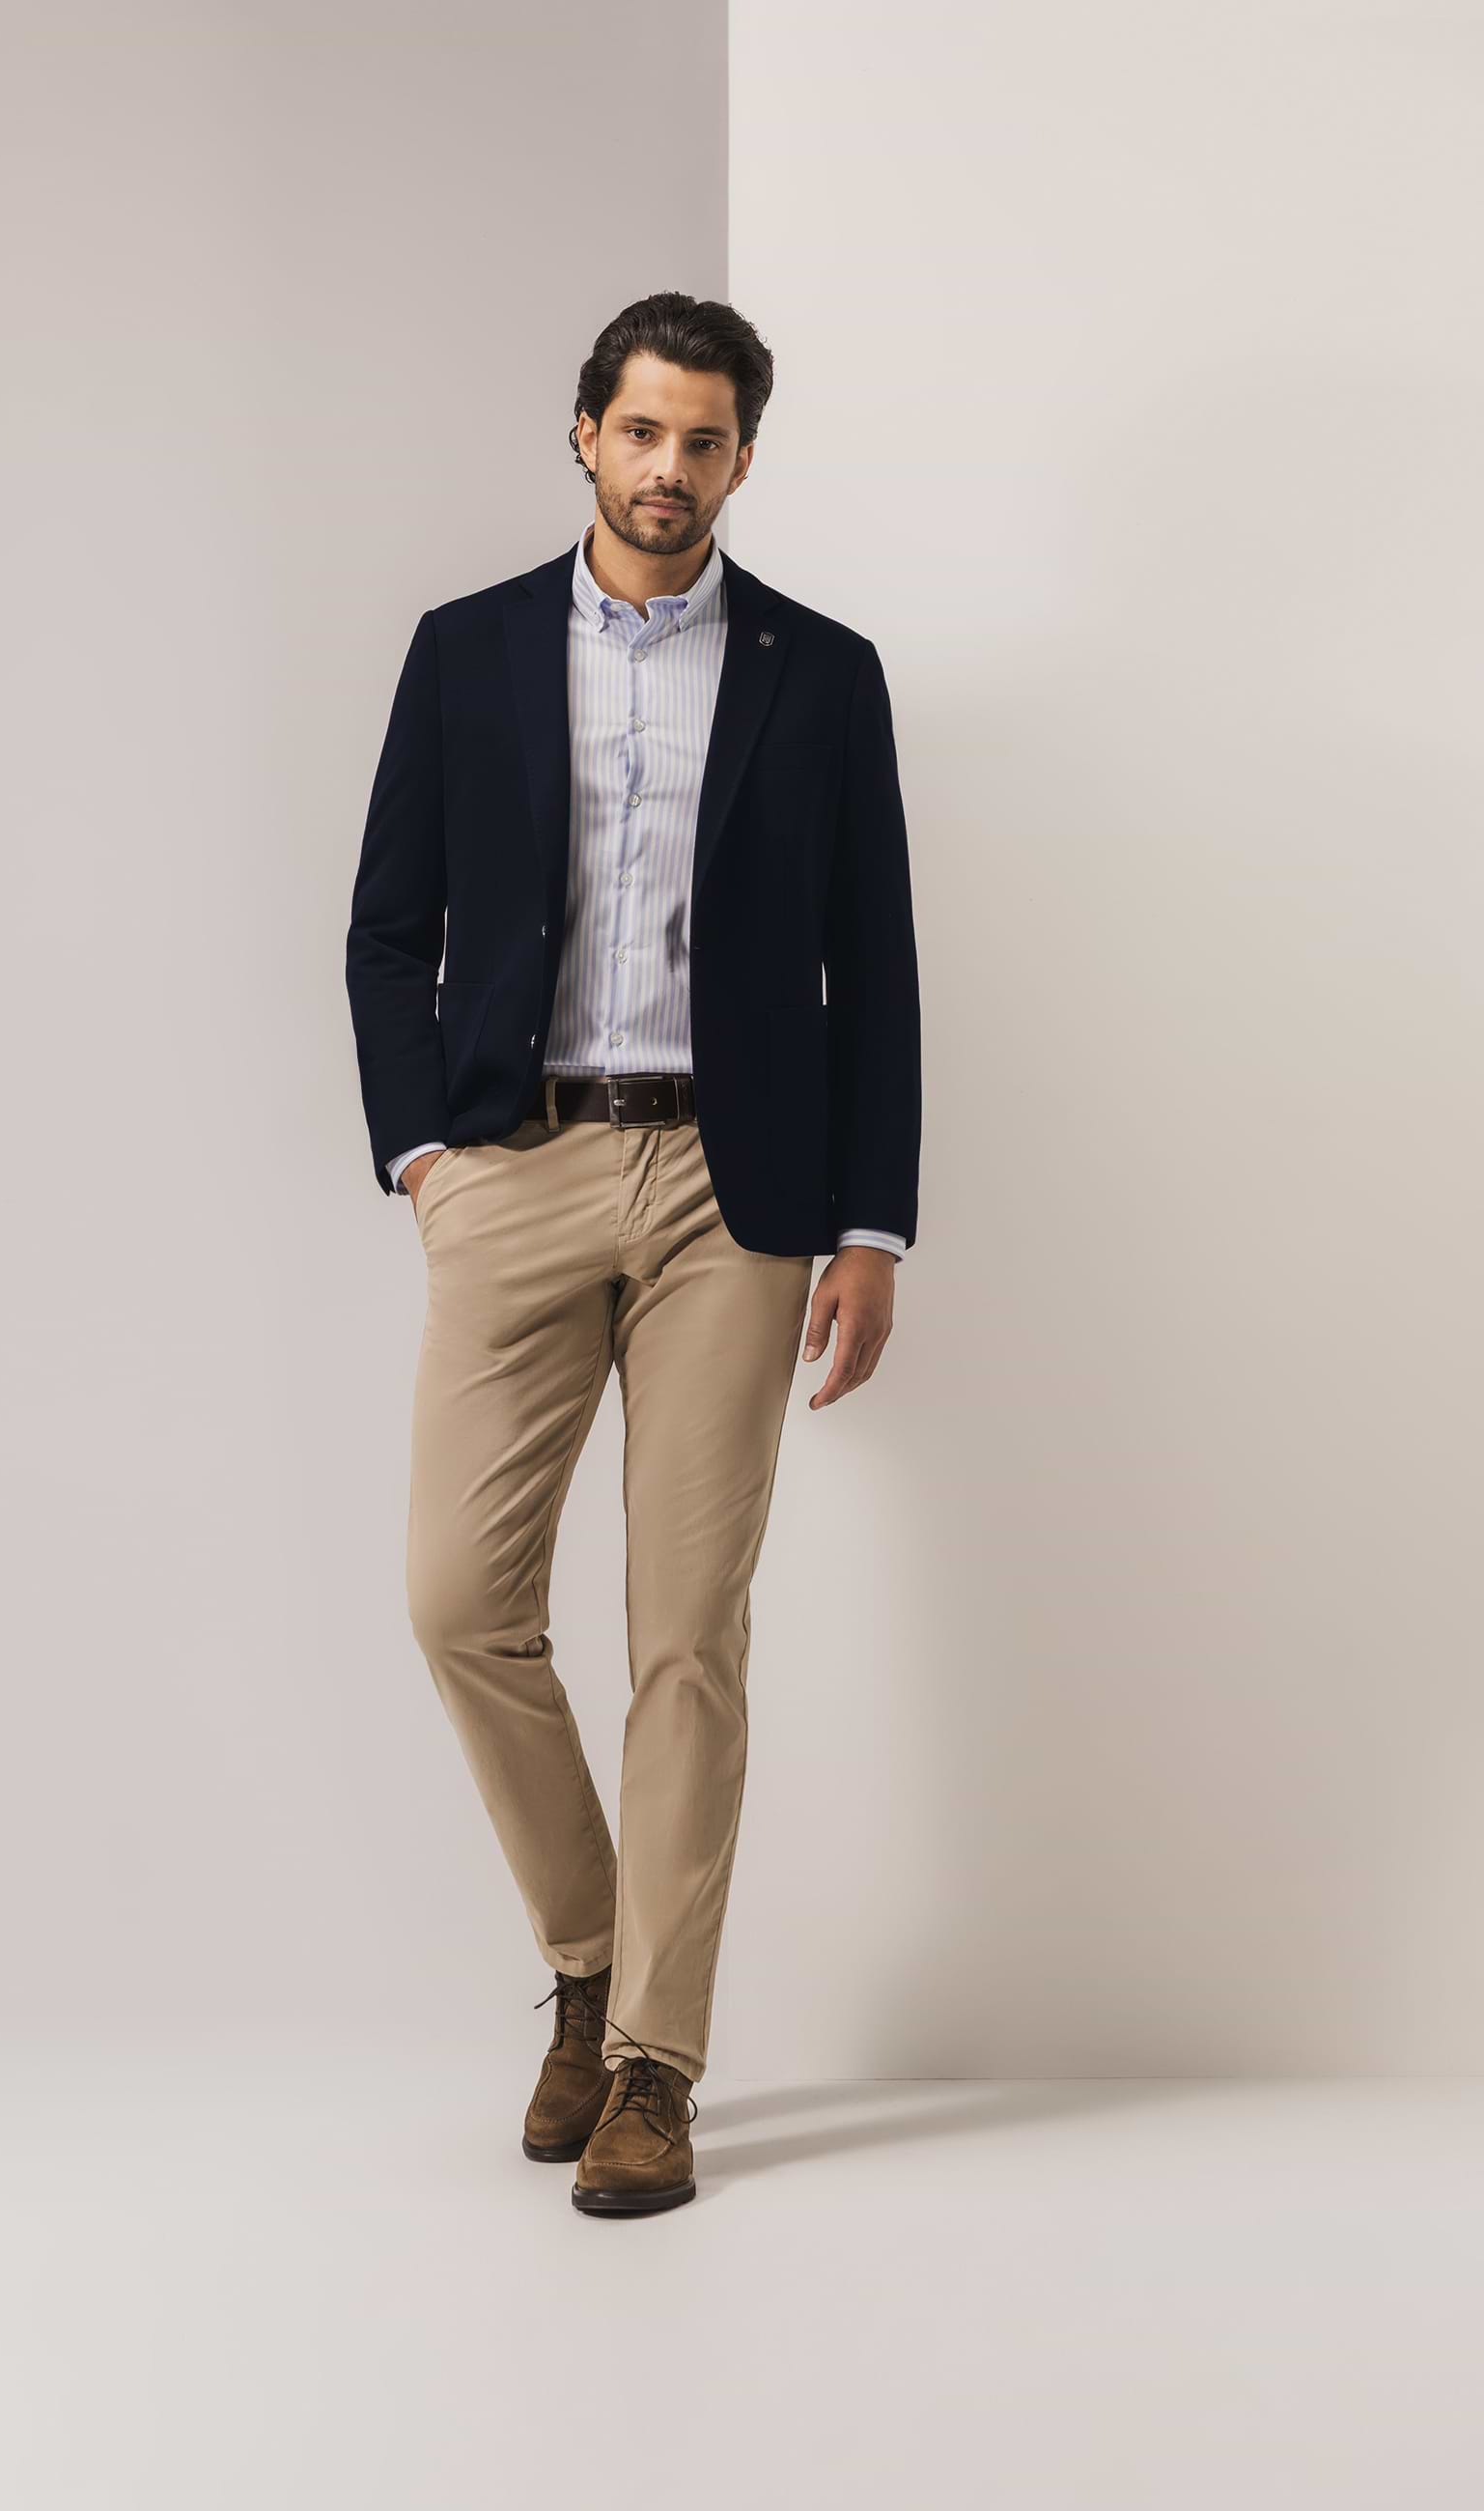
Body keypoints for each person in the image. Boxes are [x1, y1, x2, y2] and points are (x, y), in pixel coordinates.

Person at [345, 291, 920, 2217]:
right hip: (514, 1165)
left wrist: (870, 1221)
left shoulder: (823, 675)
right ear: (584, 432)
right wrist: (428, 1155)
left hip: (734, 1197)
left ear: (743, 458)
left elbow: (874, 968)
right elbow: (387, 931)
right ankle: (591, 1965)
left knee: (688, 1633)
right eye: (642, 431)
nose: (670, 469)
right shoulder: (468, 650)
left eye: (706, 440)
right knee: (457, 1600)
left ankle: (655, 2065)